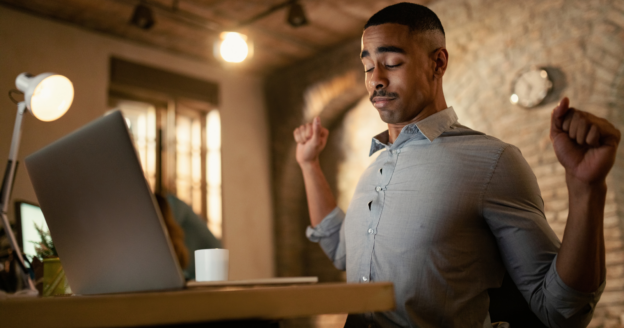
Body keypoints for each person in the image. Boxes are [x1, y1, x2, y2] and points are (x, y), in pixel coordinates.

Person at [292, 3, 621, 328]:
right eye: (367, 67)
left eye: (391, 63)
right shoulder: (374, 169)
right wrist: (309, 165)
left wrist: (586, 190)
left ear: (437, 62)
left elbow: (560, 310)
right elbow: (343, 252)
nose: (375, 79)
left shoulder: (493, 161)